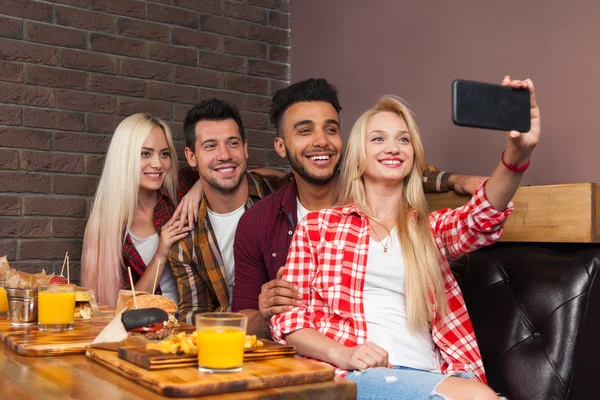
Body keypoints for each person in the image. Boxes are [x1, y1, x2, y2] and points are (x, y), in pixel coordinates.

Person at [270, 77, 539, 399]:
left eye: (404, 140)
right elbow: (289, 321)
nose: (393, 148)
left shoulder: (430, 231)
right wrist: (344, 354)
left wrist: (518, 152)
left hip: (434, 375)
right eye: (378, 139)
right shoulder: (318, 226)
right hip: (352, 373)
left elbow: (482, 216)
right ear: (357, 156)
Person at [232, 78, 485, 338]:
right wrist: (267, 315)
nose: (322, 141)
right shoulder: (257, 221)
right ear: (281, 146)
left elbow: (405, 170)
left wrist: (456, 180)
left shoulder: (376, 191)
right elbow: (241, 317)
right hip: (307, 355)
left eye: (331, 130)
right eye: (305, 131)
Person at [168, 99, 283, 324]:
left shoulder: (278, 194)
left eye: (232, 143)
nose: (225, 155)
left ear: (245, 148)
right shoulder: (186, 238)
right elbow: (194, 317)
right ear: (191, 157)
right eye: (210, 146)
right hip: (230, 343)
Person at [81, 113, 203, 308]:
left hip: (193, 323)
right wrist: (161, 252)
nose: (158, 164)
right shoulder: (106, 227)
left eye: (164, 154)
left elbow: (238, 172)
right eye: (145, 153)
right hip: (147, 328)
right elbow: (124, 308)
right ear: (124, 158)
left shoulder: (181, 191)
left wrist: (199, 188)